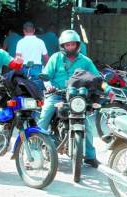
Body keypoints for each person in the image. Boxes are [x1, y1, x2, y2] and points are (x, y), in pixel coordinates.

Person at [37, 29, 100, 168]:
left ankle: (90, 156)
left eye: (73, 44)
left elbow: (98, 78)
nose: (70, 47)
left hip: (76, 97)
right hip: (56, 95)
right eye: (67, 45)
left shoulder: (85, 61)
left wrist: (108, 89)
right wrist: (48, 86)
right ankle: (34, 152)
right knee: (44, 117)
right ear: (63, 46)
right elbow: (46, 76)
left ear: (77, 45)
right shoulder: (55, 58)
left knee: (87, 126)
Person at [16, 21, 49, 89]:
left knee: (24, 90)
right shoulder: (40, 42)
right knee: (37, 91)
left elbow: (18, 59)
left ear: (24, 31)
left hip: (24, 69)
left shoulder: (20, 42)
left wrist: (16, 72)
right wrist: (46, 69)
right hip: (37, 69)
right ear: (34, 30)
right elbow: (46, 57)